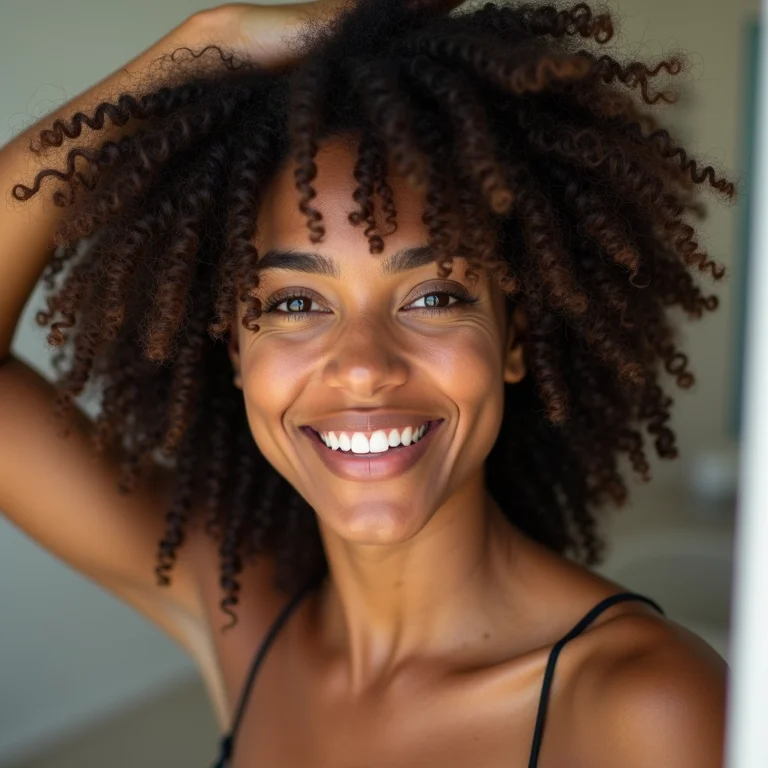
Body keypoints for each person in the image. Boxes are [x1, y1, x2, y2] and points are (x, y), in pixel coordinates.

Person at [0, 0, 731, 765]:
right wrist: (201, 46)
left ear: (514, 337)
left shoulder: (648, 709)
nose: (362, 366)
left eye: (433, 297)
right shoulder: (242, 610)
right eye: (293, 303)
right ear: (236, 354)